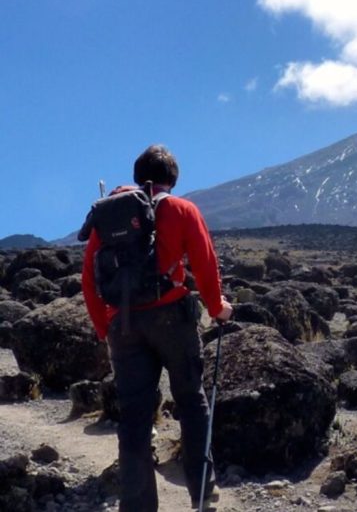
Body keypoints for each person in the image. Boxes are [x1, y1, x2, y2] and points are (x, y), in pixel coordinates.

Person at [81, 144, 233, 511]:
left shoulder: (109, 216)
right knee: (191, 402)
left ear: (138, 177)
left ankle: (138, 505)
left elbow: (89, 278)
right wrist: (217, 308)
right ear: (173, 179)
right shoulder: (181, 210)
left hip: (123, 324)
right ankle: (201, 492)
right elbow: (205, 261)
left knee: (134, 414)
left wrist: (106, 328)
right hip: (172, 318)